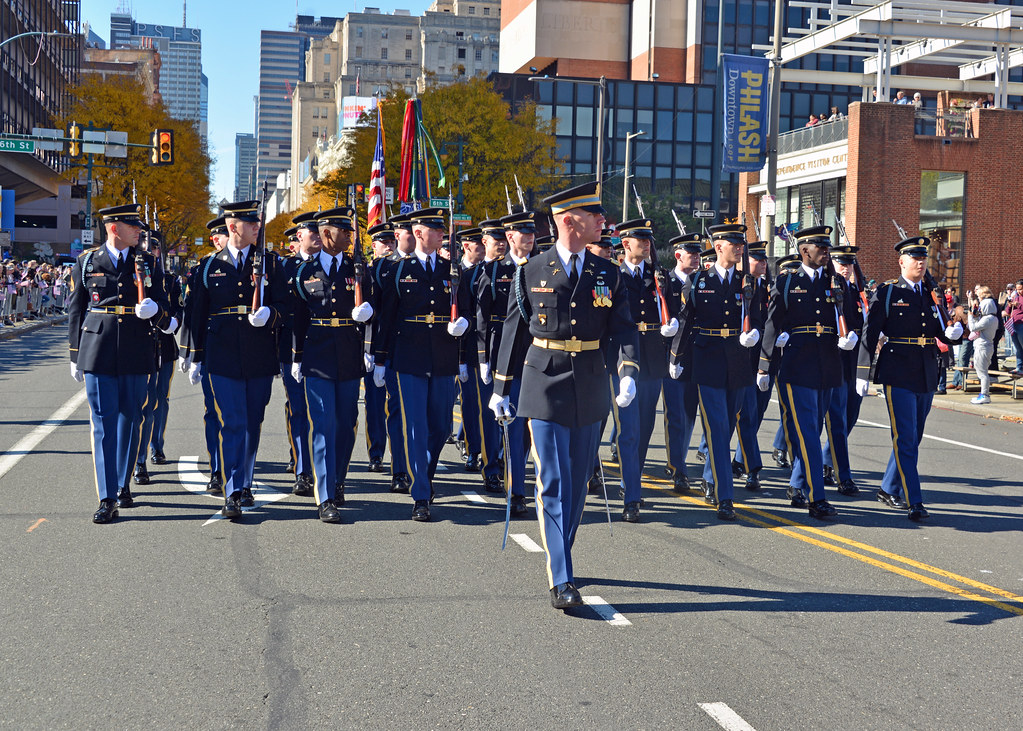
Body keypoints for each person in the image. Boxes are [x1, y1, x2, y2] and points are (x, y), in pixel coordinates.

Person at [490, 181, 638, 610]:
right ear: (571, 221)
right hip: (544, 380)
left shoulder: (607, 273)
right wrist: (501, 387)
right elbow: (514, 332)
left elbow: (624, 327)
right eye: (595, 216)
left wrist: (628, 371)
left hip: (590, 380)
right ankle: (561, 577)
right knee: (552, 479)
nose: (602, 222)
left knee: (576, 485)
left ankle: (563, 551)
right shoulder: (531, 270)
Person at [67, 203, 172, 523]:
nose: (139, 231)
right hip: (97, 347)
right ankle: (107, 495)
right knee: (102, 424)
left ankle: (123, 482)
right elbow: (76, 309)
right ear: (114, 228)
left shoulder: (148, 263)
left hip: (136, 348)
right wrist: (74, 354)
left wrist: (155, 311)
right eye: (132, 226)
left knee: (131, 419)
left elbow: (167, 309)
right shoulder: (86, 262)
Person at [186, 200, 288, 521]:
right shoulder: (208, 266)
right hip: (222, 354)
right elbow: (196, 314)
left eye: (258, 222)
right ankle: (232, 490)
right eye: (251, 223)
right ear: (233, 226)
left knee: (253, 421)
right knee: (233, 422)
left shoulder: (271, 263)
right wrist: (193, 355)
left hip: (259, 353)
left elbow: (288, 308)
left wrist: (270, 314)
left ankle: (244, 480)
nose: (258, 227)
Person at [372, 208, 470, 521]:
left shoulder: (451, 269)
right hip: (408, 357)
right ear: (418, 233)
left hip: (442, 356)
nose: (442, 234)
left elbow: (466, 309)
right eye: (436, 229)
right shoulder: (400, 270)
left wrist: (463, 326)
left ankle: (424, 476)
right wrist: (379, 358)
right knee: (414, 427)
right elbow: (386, 318)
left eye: (443, 230)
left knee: (440, 427)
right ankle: (421, 495)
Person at [857, 236, 963, 521]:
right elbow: (869, 333)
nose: (920, 262)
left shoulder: (931, 292)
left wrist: (955, 335)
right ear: (901, 261)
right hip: (898, 371)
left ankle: (888, 487)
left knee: (913, 438)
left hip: (927, 371)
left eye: (923, 257)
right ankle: (913, 499)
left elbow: (941, 329)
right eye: (914, 257)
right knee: (905, 437)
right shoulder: (889, 292)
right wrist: (862, 372)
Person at [758, 226, 858, 520]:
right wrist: (765, 364)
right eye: (820, 247)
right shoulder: (788, 282)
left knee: (812, 429)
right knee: (808, 434)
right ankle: (818, 498)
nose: (826, 251)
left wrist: (849, 336)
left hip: (828, 365)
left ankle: (797, 484)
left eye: (827, 247)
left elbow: (850, 319)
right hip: (797, 366)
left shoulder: (837, 282)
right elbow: (772, 324)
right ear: (804, 251)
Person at [669, 223, 763, 520]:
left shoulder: (749, 284)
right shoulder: (697, 281)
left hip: (737, 362)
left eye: (741, 244)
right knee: (718, 428)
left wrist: (755, 337)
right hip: (707, 362)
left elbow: (760, 319)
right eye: (734, 244)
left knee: (728, 427)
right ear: (719, 246)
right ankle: (725, 496)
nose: (740, 248)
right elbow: (686, 323)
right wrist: (675, 357)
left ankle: (710, 477)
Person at [290, 206, 375, 521]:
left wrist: (368, 325)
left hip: (350, 351)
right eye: (344, 231)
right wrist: (296, 356)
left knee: (346, 422)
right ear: (326, 234)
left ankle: (338, 479)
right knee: (323, 424)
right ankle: (324, 496)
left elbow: (374, 309)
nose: (351, 237)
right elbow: (297, 319)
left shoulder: (359, 268)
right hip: (318, 354)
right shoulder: (305, 272)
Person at [611, 218, 678, 522]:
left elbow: (671, 307)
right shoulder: (612, 275)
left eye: (649, 240)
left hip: (651, 357)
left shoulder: (658, 276)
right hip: (622, 360)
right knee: (629, 429)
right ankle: (631, 495)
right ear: (626, 244)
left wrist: (671, 321)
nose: (647, 244)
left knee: (645, 427)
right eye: (641, 239)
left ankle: (631, 482)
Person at [474, 211, 538, 516]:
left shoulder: (540, 268)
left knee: (532, 429)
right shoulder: (495, 270)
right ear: (510, 237)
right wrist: (484, 358)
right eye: (523, 235)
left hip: (536, 355)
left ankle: (525, 482)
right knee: (512, 425)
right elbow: (484, 318)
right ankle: (515, 491)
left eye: (532, 235)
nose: (529, 240)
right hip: (505, 353)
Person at [280, 211, 321, 497]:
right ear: (300, 237)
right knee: (299, 409)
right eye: (313, 233)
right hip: (290, 347)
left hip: (323, 347)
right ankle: (302, 470)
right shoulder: (285, 267)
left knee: (325, 413)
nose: (318, 237)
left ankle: (324, 468)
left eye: (321, 232)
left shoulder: (329, 265)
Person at [820, 245, 866, 495]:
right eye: (841, 263)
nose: (846, 268)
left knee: (850, 416)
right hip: (836, 359)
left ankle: (827, 460)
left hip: (856, 362)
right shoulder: (830, 288)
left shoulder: (857, 291)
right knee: (836, 419)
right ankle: (841, 474)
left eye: (849, 264)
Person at [661, 233, 703, 492]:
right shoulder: (665, 281)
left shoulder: (702, 281)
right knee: (675, 415)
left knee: (689, 415)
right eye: (692, 254)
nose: (697, 258)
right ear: (678, 255)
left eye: (699, 253)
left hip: (698, 356)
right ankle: (678, 468)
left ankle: (679, 460)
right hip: (671, 356)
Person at [363, 221, 397, 473]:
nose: (388, 246)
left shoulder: (399, 270)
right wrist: (366, 349)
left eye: (391, 242)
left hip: (395, 345)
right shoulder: (365, 272)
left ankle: (399, 457)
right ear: (373, 246)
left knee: (396, 405)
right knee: (374, 405)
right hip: (372, 345)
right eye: (383, 243)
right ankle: (376, 452)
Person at [967, 285, 999, 405]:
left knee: (982, 373)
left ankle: (985, 395)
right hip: (985, 346)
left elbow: (973, 327)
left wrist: (971, 316)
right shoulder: (992, 318)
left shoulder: (988, 319)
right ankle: (983, 394)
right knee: (982, 371)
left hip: (983, 346)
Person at [1004, 280, 1023, 374]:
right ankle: (1019, 367)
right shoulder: (1016, 297)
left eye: (1021, 289)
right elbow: (1008, 311)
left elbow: (1021, 307)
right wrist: (1009, 304)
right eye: (1017, 289)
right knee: (1018, 347)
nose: (1018, 291)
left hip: (1021, 324)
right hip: (1013, 324)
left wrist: (1018, 305)